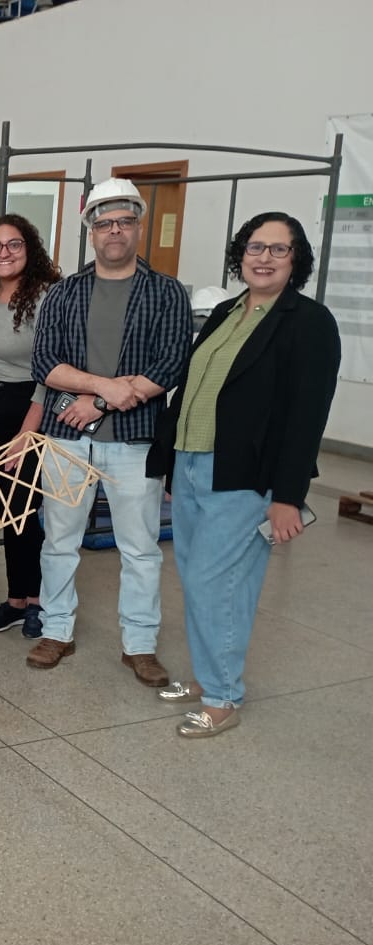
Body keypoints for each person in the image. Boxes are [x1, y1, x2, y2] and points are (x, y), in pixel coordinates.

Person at [148, 213, 340, 738]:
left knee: (221, 583)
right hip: (192, 462)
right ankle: (209, 674)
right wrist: (171, 462)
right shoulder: (229, 311)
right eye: (256, 247)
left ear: (296, 259)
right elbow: (193, 389)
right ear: (241, 254)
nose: (264, 257)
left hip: (243, 475)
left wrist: (287, 496)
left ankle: (223, 695)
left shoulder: (308, 321)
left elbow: (307, 415)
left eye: (279, 249)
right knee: (194, 576)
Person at [27, 178, 191, 686]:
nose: (114, 231)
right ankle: (57, 630)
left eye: (124, 221)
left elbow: (171, 362)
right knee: (59, 540)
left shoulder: (166, 293)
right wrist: (102, 389)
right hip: (67, 438)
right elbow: (44, 363)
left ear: (139, 228)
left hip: (134, 438)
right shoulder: (64, 293)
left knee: (140, 547)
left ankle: (139, 644)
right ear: (90, 232)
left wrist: (96, 400)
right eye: (104, 223)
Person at [0, 214, 62, 640]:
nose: (4, 253)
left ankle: (38, 600)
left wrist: (29, 431)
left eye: (14, 244)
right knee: (7, 508)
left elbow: (51, 370)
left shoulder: (46, 297)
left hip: (31, 408)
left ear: (30, 249)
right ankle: (16, 599)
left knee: (29, 508)